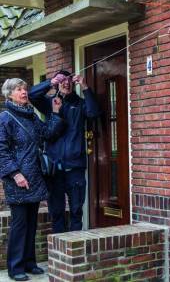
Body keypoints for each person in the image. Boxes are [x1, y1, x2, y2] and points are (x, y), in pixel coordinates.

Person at [0, 78, 63, 281]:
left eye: (25, 89)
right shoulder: (5, 118)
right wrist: (15, 174)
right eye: (19, 89)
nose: (24, 92)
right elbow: (2, 151)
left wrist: (55, 112)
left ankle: (29, 262)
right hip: (17, 178)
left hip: (35, 176)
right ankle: (15, 267)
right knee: (19, 223)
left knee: (31, 222)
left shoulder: (31, 115)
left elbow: (47, 133)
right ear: (9, 94)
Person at [28, 70, 100, 233]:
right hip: (54, 169)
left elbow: (94, 113)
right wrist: (50, 82)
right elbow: (32, 95)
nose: (66, 83)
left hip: (75, 168)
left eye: (69, 80)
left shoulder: (80, 104)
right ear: (58, 84)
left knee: (76, 210)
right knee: (56, 212)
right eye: (62, 81)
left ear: (73, 84)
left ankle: (75, 248)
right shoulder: (50, 103)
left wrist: (85, 86)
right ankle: (60, 250)